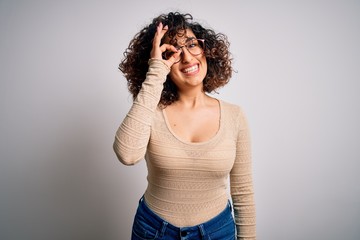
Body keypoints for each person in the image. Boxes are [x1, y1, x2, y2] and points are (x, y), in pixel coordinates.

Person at [113, 12, 256, 240]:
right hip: (153, 231)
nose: (188, 58)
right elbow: (127, 154)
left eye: (192, 45)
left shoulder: (234, 116)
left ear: (207, 49)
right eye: (174, 52)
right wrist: (156, 71)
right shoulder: (150, 110)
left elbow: (242, 192)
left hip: (218, 232)